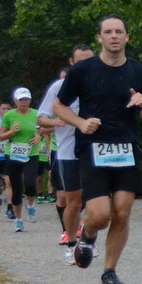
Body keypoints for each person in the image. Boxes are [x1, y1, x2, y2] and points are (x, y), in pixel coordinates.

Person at [53, 14, 142, 284]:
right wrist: (80, 123)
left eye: (119, 32)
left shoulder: (140, 72)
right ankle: (88, 235)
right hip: (93, 148)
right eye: (108, 32)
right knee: (100, 216)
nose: (114, 36)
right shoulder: (83, 70)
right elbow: (58, 106)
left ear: (127, 37)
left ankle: (109, 272)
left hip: (126, 148)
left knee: (122, 212)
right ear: (99, 38)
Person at [37, 45, 94, 260]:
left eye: (89, 61)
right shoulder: (59, 87)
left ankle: (88, 240)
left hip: (95, 150)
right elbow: (41, 118)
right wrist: (55, 121)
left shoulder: (100, 83)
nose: (85, 66)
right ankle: (71, 243)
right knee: (74, 201)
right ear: (71, 63)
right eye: (80, 62)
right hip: (68, 151)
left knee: (97, 202)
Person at [0, 88, 44, 232]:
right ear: (15, 101)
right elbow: (1, 136)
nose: (24, 102)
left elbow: (43, 129)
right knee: (16, 188)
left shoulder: (36, 114)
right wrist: (12, 131)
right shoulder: (9, 115)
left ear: (30, 100)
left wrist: (40, 136)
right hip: (13, 154)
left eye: (26, 99)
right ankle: (18, 220)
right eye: (21, 99)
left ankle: (30, 205)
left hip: (31, 154)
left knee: (30, 182)